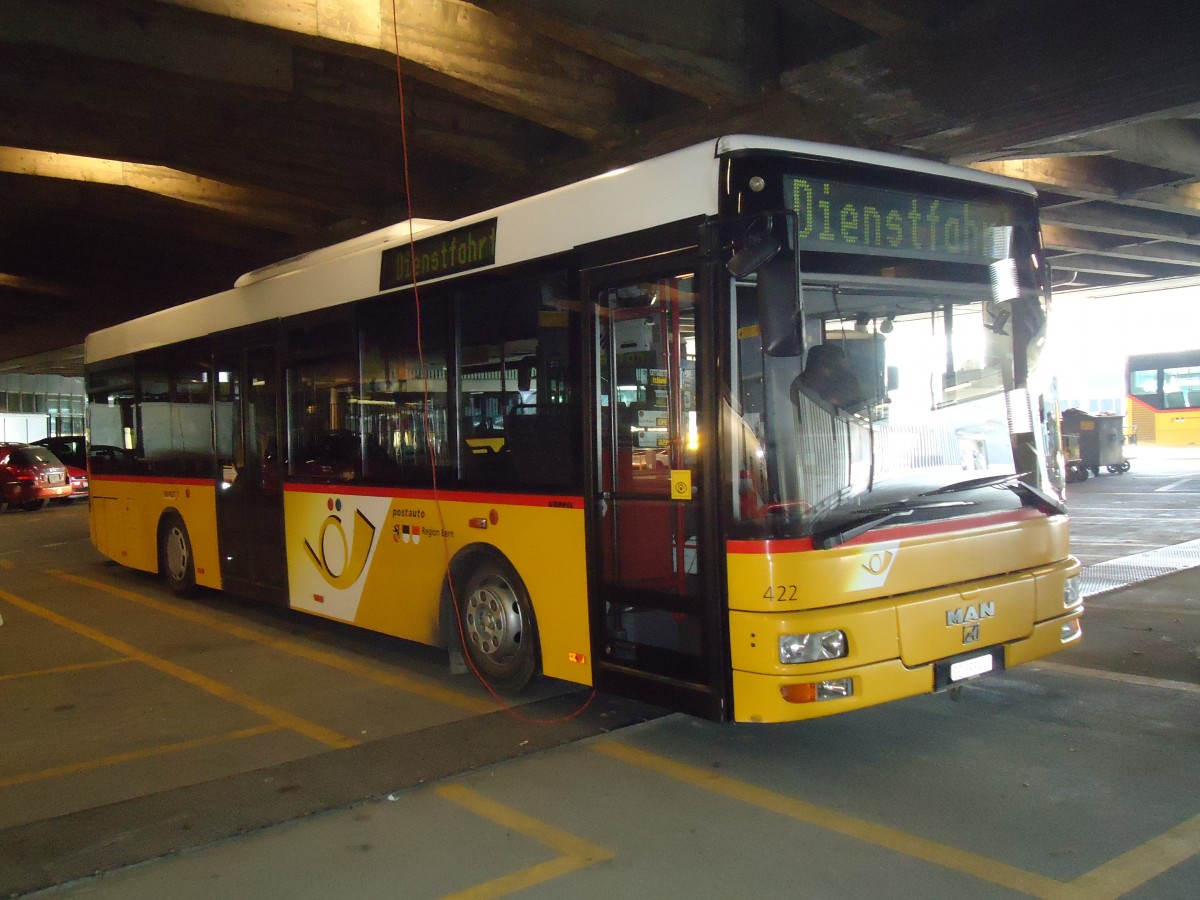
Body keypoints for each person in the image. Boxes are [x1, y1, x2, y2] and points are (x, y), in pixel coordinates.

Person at [794, 343, 864, 411]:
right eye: (832, 366)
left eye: (838, 367)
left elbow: (856, 406)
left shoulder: (846, 380)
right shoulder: (802, 391)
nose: (836, 372)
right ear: (817, 365)